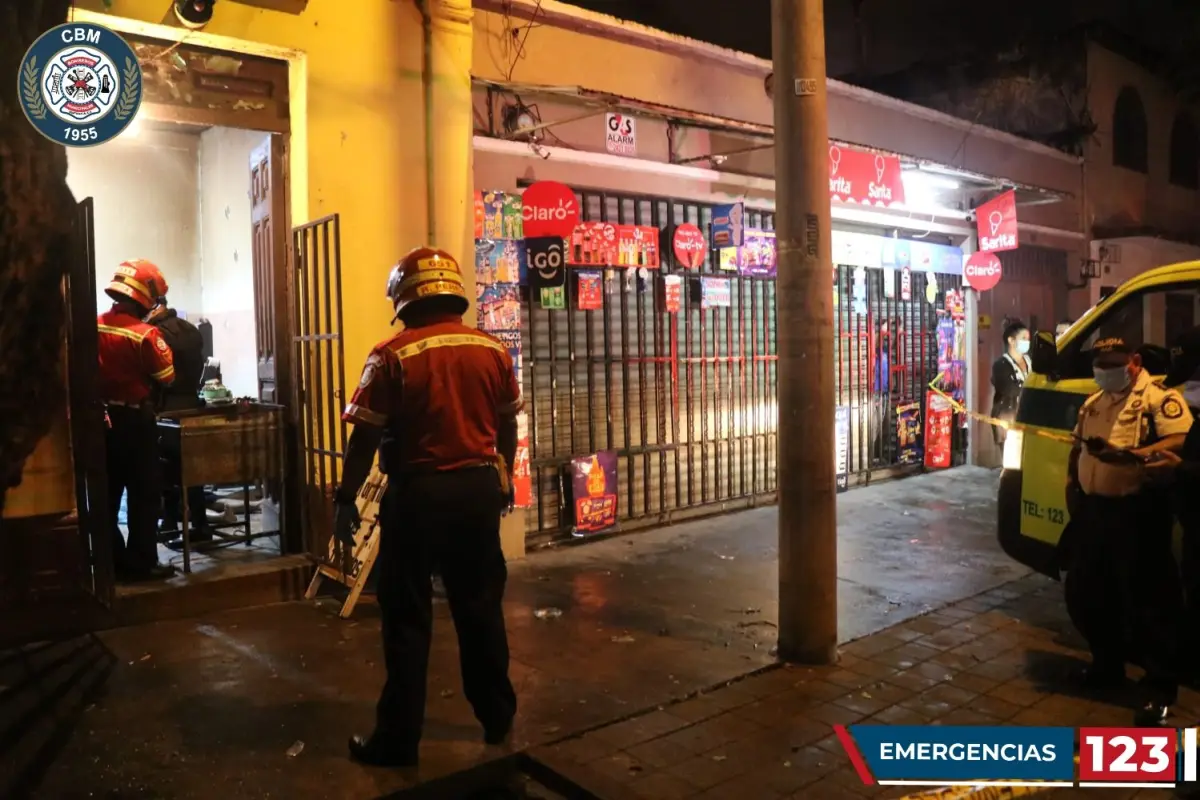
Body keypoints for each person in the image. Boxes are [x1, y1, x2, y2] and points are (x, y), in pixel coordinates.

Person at [334, 247, 520, 767]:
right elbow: (507, 422)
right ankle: (497, 716)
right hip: (479, 492)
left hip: (419, 497)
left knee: (408, 617)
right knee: (481, 607)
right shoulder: (493, 349)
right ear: (452, 292)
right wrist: (501, 471)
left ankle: (398, 742)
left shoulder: (391, 354)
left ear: (404, 299)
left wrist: (345, 498)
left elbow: (364, 438)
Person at [1063, 336, 1192, 724]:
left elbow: (1180, 440)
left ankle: (1159, 686)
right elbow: (1077, 447)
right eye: (1100, 365)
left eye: (1114, 364)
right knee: (1088, 590)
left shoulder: (1158, 399)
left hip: (1137, 512)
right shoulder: (1094, 403)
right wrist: (1074, 486)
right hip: (1095, 511)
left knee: (1148, 599)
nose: (1105, 372)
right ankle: (1107, 665)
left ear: (1134, 362)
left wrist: (1131, 456)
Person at [97, 260, 178, 582]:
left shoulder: (93, 326)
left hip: (102, 419)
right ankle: (142, 563)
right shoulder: (146, 335)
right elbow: (168, 376)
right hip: (137, 421)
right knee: (144, 495)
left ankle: (112, 559)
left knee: (107, 495)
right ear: (146, 298)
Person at [145, 298, 211, 545]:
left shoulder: (155, 333)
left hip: (166, 408)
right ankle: (201, 524)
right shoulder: (190, 329)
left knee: (166, 469)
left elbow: (156, 373)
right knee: (194, 469)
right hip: (192, 404)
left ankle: (171, 523)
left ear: (153, 308)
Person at [990, 320, 1031, 446]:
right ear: (1011, 341)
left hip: (1027, 421)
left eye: (1028, 339)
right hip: (1008, 420)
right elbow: (1009, 389)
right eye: (1023, 338)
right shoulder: (1001, 365)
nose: (1027, 342)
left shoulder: (1030, 361)